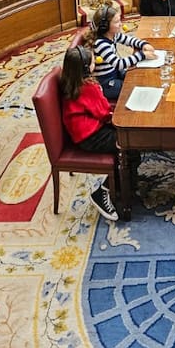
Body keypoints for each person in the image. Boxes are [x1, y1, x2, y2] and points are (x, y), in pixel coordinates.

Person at [59, 46, 120, 221]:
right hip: (92, 137)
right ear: (87, 68)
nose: (96, 62)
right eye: (93, 61)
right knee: (129, 145)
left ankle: (124, 184)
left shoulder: (70, 82)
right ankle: (103, 192)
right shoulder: (88, 88)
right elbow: (104, 112)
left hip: (85, 132)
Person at [85, 2, 156, 101]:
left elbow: (128, 40)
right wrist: (142, 55)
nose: (120, 24)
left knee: (137, 76)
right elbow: (119, 63)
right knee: (131, 89)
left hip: (114, 73)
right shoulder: (101, 44)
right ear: (105, 26)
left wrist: (143, 44)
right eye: (117, 22)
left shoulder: (112, 34)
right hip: (106, 82)